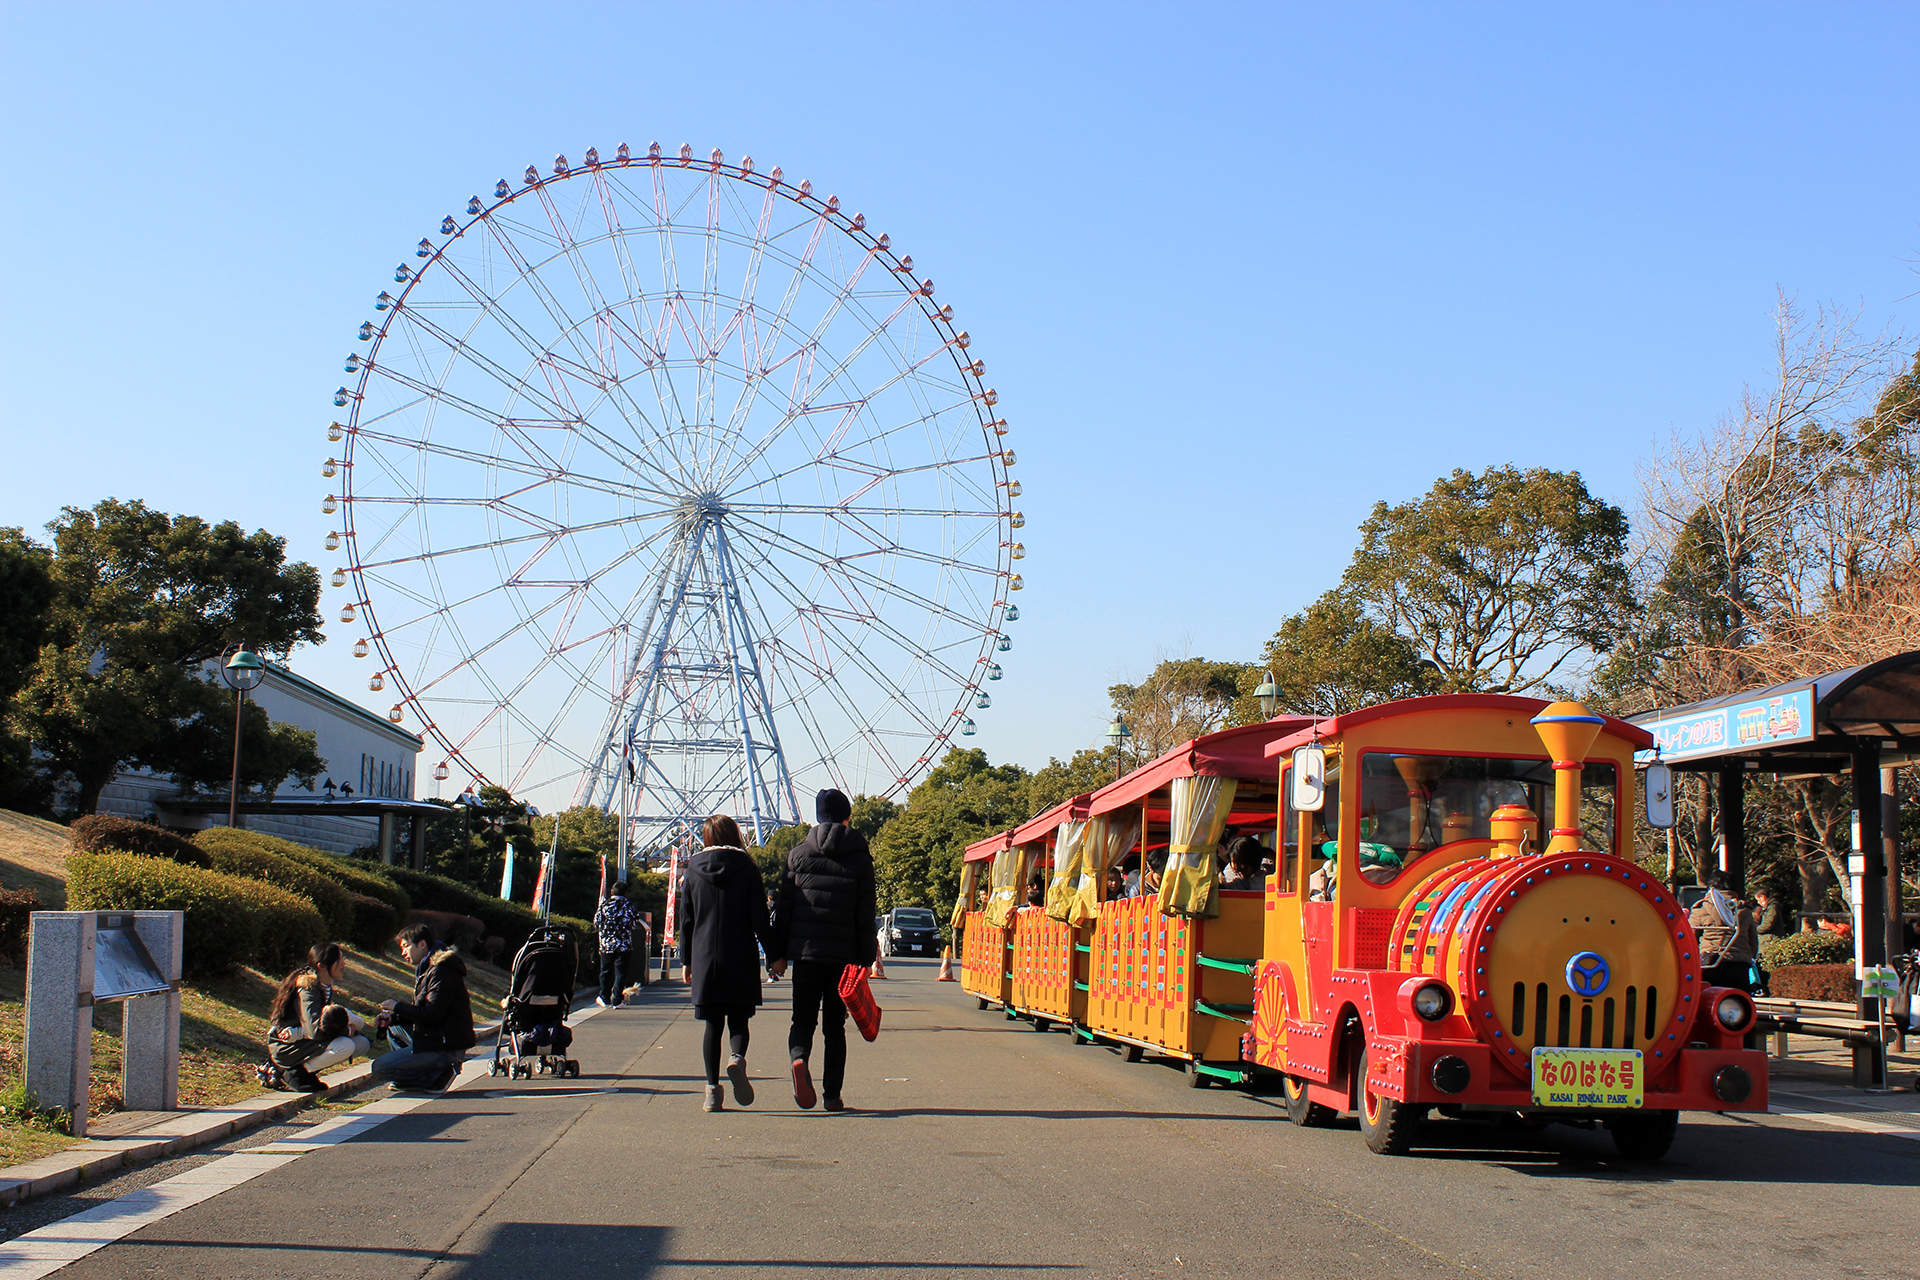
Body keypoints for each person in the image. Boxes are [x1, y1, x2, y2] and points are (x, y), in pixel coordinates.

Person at [768, 788, 877, 1113]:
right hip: (843, 958)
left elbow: (784, 909)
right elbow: (865, 913)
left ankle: (799, 1058)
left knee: (802, 1020)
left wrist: (778, 953)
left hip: (805, 953)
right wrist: (866, 959)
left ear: (818, 817)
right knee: (835, 1027)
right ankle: (832, 1095)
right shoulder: (860, 858)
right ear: (847, 817)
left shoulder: (797, 855)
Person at [682, 813, 774, 1112]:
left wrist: (686, 960)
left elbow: (687, 919)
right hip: (741, 953)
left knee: (712, 1024)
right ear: (735, 835)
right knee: (738, 1019)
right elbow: (760, 917)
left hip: (705, 955)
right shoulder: (747, 867)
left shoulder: (692, 869)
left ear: (707, 838)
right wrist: (774, 955)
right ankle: (736, 1059)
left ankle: (711, 1091)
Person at [373, 924, 476, 1092]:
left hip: (445, 1045)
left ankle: (436, 1075)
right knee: (394, 1027)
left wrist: (397, 1006)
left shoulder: (442, 971)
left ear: (422, 944)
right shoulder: (428, 970)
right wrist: (393, 1017)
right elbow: (423, 1012)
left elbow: (432, 1015)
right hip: (435, 1038)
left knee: (380, 1067)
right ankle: (420, 1077)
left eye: (406, 946)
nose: (403, 953)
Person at [265, 942, 370, 1092]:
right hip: (287, 1046)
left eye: (343, 958)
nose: (343, 963)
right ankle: (292, 1073)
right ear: (321, 966)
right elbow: (314, 1030)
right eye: (338, 960)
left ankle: (303, 1072)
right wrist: (345, 1030)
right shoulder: (307, 990)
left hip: (303, 1042)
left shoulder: (322, 985)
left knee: (361, 1043)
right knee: (346, 1045)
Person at [1689, 871, 1760, 991]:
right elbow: (1753, 941)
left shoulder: (1701, 908)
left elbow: (1690, 938)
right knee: (1738, 1002)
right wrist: (1746, 956)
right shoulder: (1744, 910)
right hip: (1739, 964)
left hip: (1710, 961)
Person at [593, 879, 640, 1007]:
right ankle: (617, 1000)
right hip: (624, 944)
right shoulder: (629, 906)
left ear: (611, 892)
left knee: (605, 971)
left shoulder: (604, 905)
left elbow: (597, 922)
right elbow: (635, 923)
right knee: (621, 973)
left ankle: (604, 997)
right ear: (626, 893)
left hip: (606, 944)